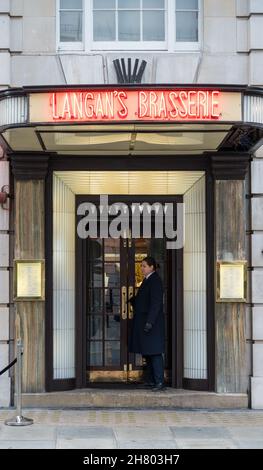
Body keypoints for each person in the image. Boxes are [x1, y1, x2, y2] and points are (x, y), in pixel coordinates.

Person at [128, 256, 165, 391]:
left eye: (144, 266)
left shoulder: (155, 281)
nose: (141, 268)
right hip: (146, 322)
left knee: (154, 353)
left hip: (152, 323)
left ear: (151, 267)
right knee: (148, 352)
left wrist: (150, 322)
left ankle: (159, 382)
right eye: (141, 266)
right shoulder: (147, 280)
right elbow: (144, 299)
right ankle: (150, 380)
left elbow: (155, 304)